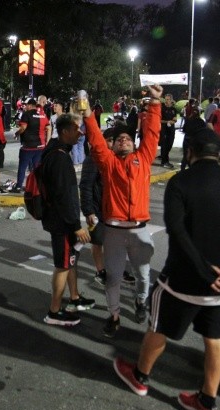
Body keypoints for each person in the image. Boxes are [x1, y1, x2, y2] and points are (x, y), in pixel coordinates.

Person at [113, 128, 220, 410]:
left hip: (183, 280)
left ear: (190, 152)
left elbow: (177, 230)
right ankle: (208, 401)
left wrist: (203, 269)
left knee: (159, 328)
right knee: (215, 338)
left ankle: (141, 376)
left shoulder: (181, 182)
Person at [83, 84, 163, 338]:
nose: (124, 140)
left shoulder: (144, 159)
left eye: (128, 138)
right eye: (119, 140)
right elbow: (96, 141)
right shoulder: (108, 164)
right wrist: (86, 114)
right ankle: (114, 315)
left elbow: (152, 132)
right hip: (114, 232)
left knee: (143, 276)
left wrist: (155, 102)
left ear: (134, 143)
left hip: (139, 231)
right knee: (113, 278)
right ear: (114, 146)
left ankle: (141, 302)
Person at [40, 113, 93, 326]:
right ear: (65, 132)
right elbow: (65, 196)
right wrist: (75, 226)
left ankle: (74, 298)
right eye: (76, 129)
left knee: (70, 260)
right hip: (62, 223)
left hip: (59, 218)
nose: (80, 132)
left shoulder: (55, 151)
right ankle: (54, 311)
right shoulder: (59, 157)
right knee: (63, 265)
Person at [80, 128, 137, 288]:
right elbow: (85, 186)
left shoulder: (118, 158)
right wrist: (88, 211)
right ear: (103, 141)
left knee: (116, 243)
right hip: (97, 209)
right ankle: (100, 271)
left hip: (114, 210)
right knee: (98, 241)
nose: (113, 143)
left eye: (115, 140)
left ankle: (117, 270)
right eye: (110, 140)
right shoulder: (93, 159)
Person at [11, 99, 50, 193]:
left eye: (26, 105)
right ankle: (36, 187)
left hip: (28, 146)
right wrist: (47, 142)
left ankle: (19, 186)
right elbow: (48, 128)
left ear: (30, 105)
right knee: (36, 168)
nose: (25, 107)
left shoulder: (26, 114)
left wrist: (16, 133)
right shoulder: (43, 115)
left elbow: (23, 128)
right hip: (40, 146)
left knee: (22, 167)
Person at [159, 94, 177, 169]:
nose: (167, 101)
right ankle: (164, 161)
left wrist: (173, 121)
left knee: (170, 144)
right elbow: (159, 120)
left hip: (171, 129)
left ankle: (164, 157)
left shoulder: (173, 109)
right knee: (164, 145)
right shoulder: (162, 108)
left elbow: (175, 118)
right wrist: (167, 122)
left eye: (168, 99)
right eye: (166, 99)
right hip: (164, 129)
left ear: (171, 100)